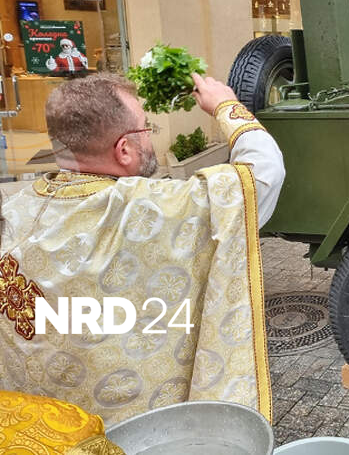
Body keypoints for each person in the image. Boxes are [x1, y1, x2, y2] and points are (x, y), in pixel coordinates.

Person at [0, 73, 284, 425]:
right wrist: (226, 105)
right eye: (145, 128)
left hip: (43, 431)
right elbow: (262, 175)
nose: (149, 136)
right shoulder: (153, 211)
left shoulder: (14, 214)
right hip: (145, 434)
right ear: (124, 149)